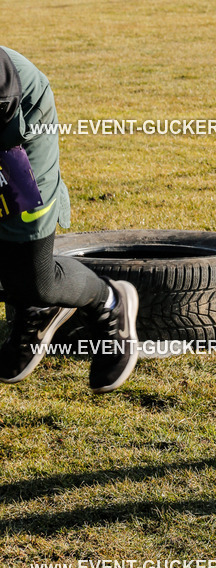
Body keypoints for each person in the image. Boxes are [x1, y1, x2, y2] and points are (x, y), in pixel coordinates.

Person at [0, 46, 139, 393]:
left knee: (39, 280)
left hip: (17, 110)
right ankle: (33, 304)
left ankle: (110, 302)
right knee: (20, 275)